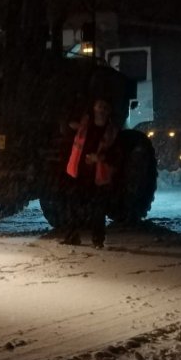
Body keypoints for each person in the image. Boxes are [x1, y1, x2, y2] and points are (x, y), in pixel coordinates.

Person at [62, 97, 118, 248]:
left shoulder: (112, 131)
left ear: (109, 111)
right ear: (94, 107)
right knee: (72, 206)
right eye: (99, 106)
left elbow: (116, 155)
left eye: (105, 107)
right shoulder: (84, 124)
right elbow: (67, 129)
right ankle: (71, 236)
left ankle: (98, 240)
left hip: (97, 177)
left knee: (97, 210)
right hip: (77, 174)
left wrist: (99, 157)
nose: (101, 110)